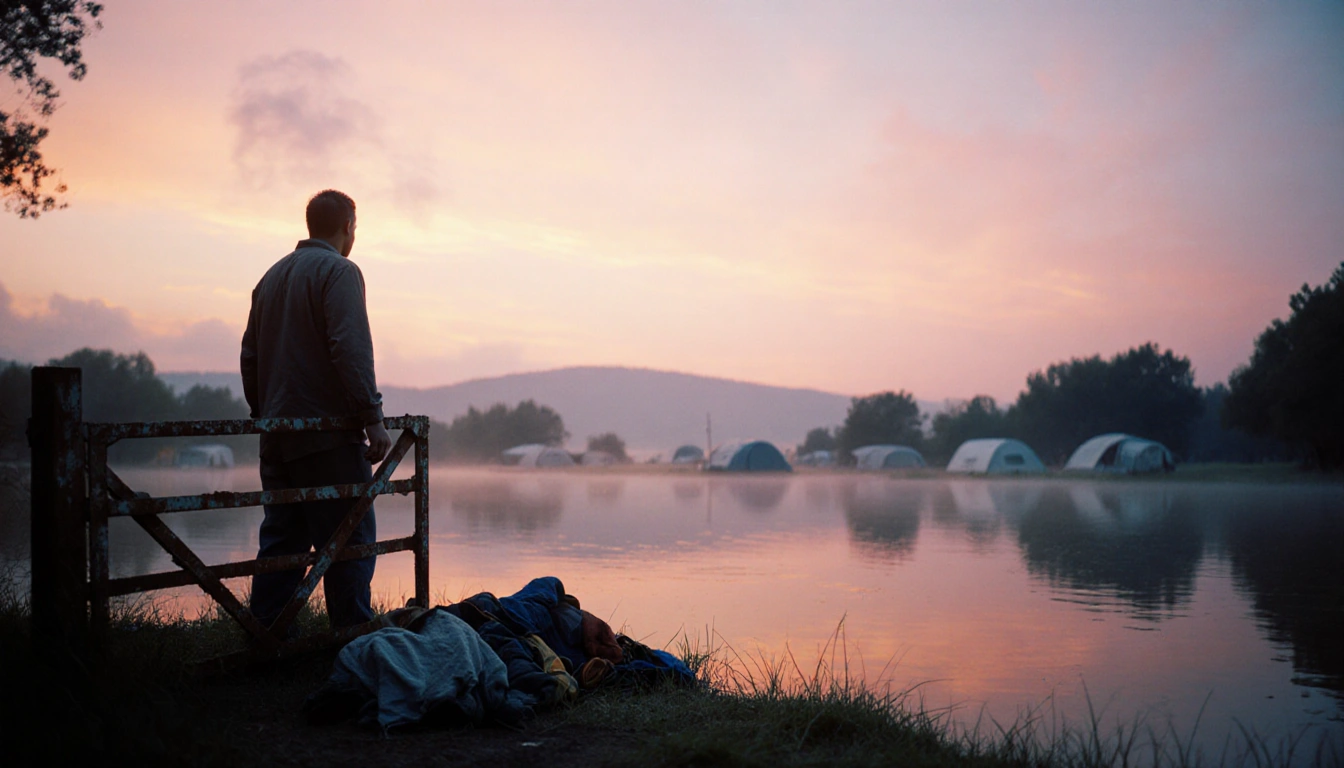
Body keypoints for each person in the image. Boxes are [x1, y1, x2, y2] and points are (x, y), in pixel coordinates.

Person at [240, 189, 392, 630]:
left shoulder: (269, 277)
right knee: (351, 537)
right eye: (355, 228)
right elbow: (349, 347)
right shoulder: (340, 271)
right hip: (326, 436)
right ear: (348, 227)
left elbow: (249, 356)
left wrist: (264, 414)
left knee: (283, 539)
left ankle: (266, 631)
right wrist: (372, 417)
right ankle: (352, 636)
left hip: (276, 434)